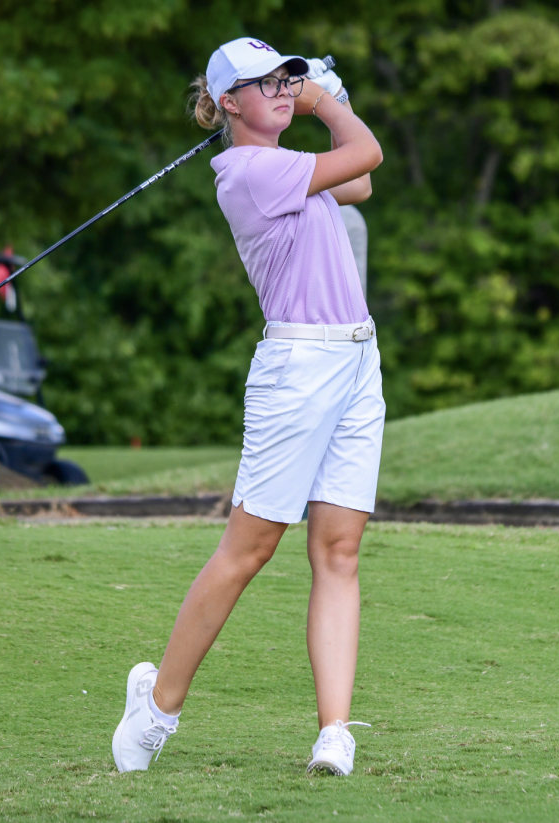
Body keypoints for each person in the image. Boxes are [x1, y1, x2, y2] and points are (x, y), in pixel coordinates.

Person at [112, 38, 385, 776]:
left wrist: (327, 102)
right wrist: (327, 99)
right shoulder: (248, 171)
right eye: (264, 84)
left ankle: (334, 731)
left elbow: (353, 184)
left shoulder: (295, 171)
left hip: (358, 360)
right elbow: (369, 156)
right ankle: (157, 706)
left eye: (285, 78)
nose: (280, 89)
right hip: (298, 368)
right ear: (229, 103)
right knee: (248, 549)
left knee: (338, 549)